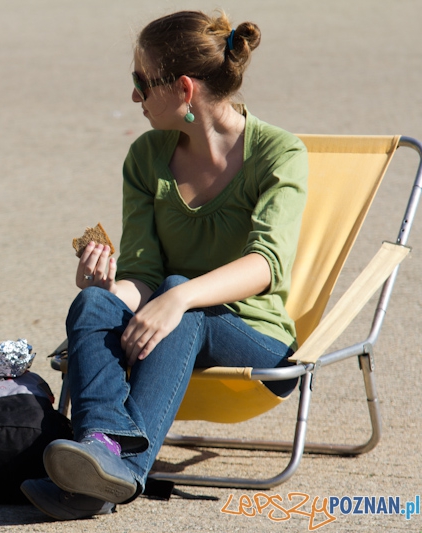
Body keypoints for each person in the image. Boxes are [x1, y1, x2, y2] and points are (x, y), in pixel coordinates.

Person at [21, 11, 307, 520]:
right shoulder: (146, 157)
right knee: (94, 301)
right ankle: (102, 449)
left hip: (258, 339)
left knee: (182, 293)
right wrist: (110, 296)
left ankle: (121, 473)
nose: (134, 97)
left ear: (183, 89)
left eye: (140, 82)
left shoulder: (279, 153)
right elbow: (143, 273)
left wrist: (179, 296)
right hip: (169, 326)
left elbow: (268, 264)